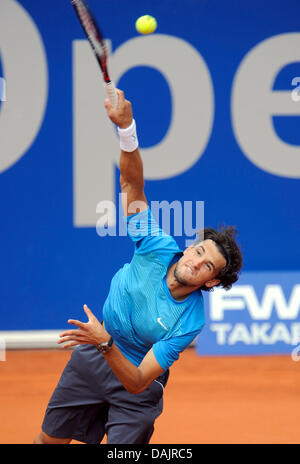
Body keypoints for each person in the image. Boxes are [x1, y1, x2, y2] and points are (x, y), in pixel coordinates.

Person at [34, 89, 242, 445]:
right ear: (189, 247)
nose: (196, 262)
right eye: (198, 252)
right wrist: (127, 128)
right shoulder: (157, 245)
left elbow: (136, 381)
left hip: (137, 386)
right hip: (92, 358)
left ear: (210, 282)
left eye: (208, 266)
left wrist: (104, 343)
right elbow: (131, 184)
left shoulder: (190, 320)